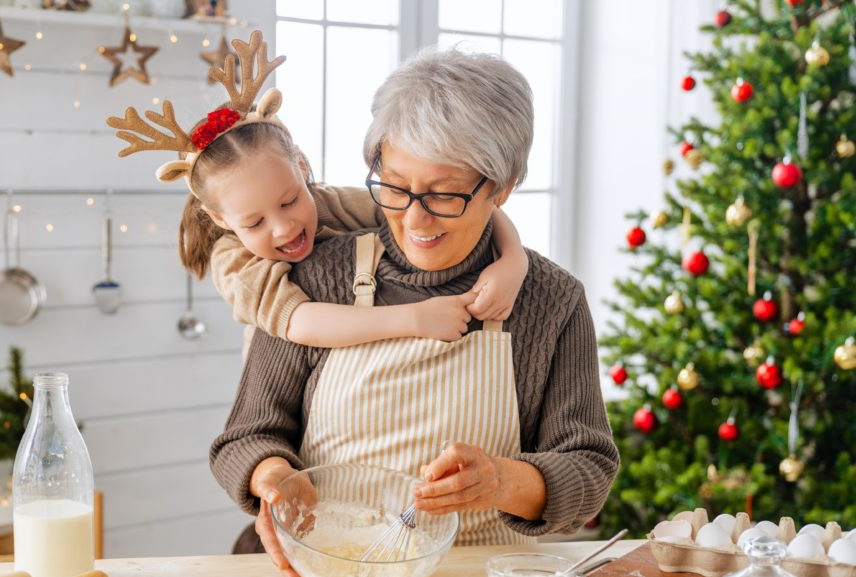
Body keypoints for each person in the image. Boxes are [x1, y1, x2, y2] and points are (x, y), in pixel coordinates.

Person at [209, 46, 619, 576]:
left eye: (445, 195)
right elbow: (246, 437)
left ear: (502, 187)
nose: (416, 218)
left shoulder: (550, 301)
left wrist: (501, 481)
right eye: (396, 188)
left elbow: (587, 466)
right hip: (326, 561)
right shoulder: (316, 278)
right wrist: (273, 479)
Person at [108, 30, 529, 352]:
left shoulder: (329, 203)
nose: (282, 227)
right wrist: (416, 318)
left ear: (303, 169)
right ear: (219, 219)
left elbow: (460, 205)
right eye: (253, 222)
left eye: (289, 200)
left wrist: (513, 262)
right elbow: (300, 323)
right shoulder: (234, 260)